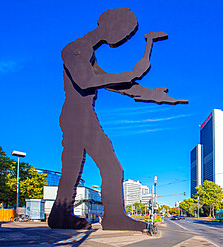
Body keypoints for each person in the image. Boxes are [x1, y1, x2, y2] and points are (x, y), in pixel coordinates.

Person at [48, 8, 186, 231]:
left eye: (130, 33)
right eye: (125, 30)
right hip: (78, 116)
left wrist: (152, 94)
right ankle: (113, 218)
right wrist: (132, 74)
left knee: (73, 170)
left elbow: (115, 84)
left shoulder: (88, 54)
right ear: (107, 23)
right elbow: (86, 81)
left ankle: (60, 215)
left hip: (80, 116)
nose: (125, 37)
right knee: (111, 168)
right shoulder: (75, 49)